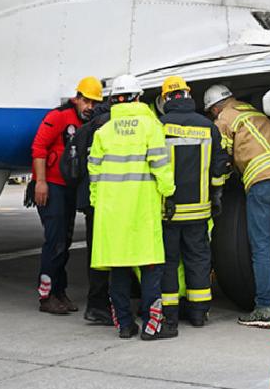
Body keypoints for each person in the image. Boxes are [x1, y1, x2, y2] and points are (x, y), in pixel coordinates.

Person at [204, 84, 270, 329]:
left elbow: (221, 160)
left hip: (263, 179)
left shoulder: (223, 120)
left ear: (215, 107)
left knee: (260, 246)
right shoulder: (252, 111)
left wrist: (217, 186)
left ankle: (264, 309)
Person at [88, 74, 175, 340]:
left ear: (114, 99)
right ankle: (152, 327)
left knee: (120, 269)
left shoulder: (103, 132)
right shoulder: (151, 127)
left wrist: (96, 201)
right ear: (138, 98)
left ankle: (125, 325)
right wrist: (168, 192)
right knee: (150, 268)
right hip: (142, 210)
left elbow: (93, 171)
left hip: (112, 211)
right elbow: (161, 165)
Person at [157, 76, 231, 335]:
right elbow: (220, 165)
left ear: (166, 98)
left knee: (168, 261)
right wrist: (216, 193)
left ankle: (170, 314)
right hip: (199, 210)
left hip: (168, 211)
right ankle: (199, 313)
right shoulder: (207, 126)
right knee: (198, 259)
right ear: (188, 95)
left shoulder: (160, 126)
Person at [31, 76, 103, 315]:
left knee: (65, 242)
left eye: (94, 103)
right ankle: (46, 295)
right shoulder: (59, 117)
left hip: (70, 187)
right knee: (55, 242)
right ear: (77, 98)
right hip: (52, 186)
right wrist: (40, 182)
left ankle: (59, 291)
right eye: (87, 102)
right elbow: (39, 148)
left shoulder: (88, 122)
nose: (90, 107)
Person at [64, 99, 113, 325]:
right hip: (109, 200)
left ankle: (97, 305)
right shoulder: (111, 127)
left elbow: (69, 168)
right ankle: (103, 305)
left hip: (89, 200)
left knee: (96, 255)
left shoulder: (84, 131)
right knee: (114, 255)